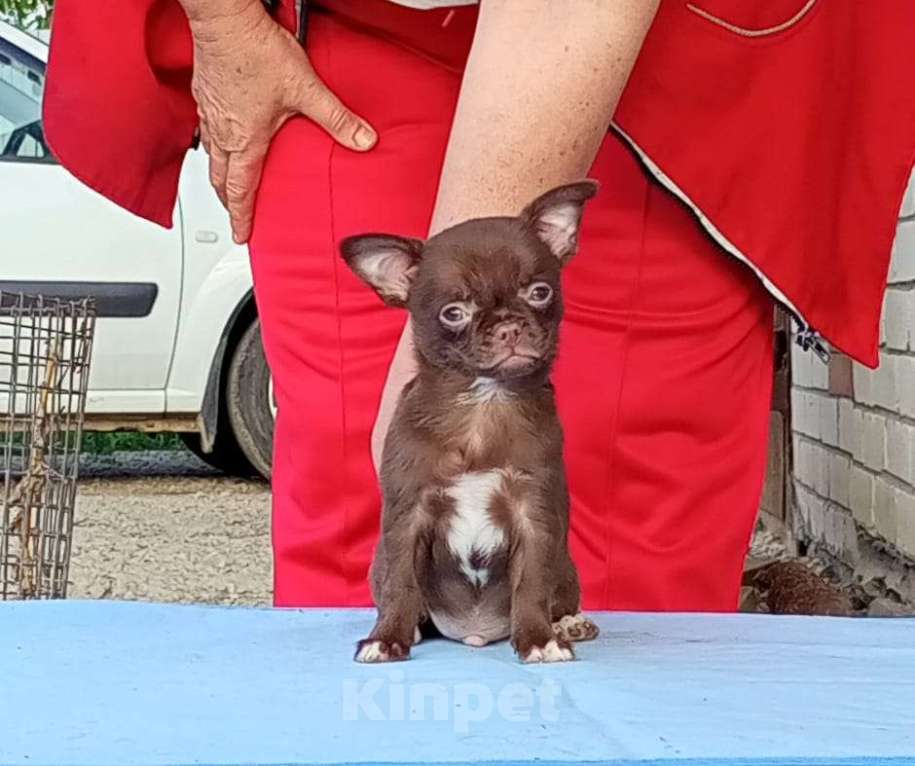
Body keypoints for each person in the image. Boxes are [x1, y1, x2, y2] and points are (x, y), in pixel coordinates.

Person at [44, 0, 915, 611]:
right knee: (362, 568)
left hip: (659, 82)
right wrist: (222, 19)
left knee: (615, 594)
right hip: (335, 49)